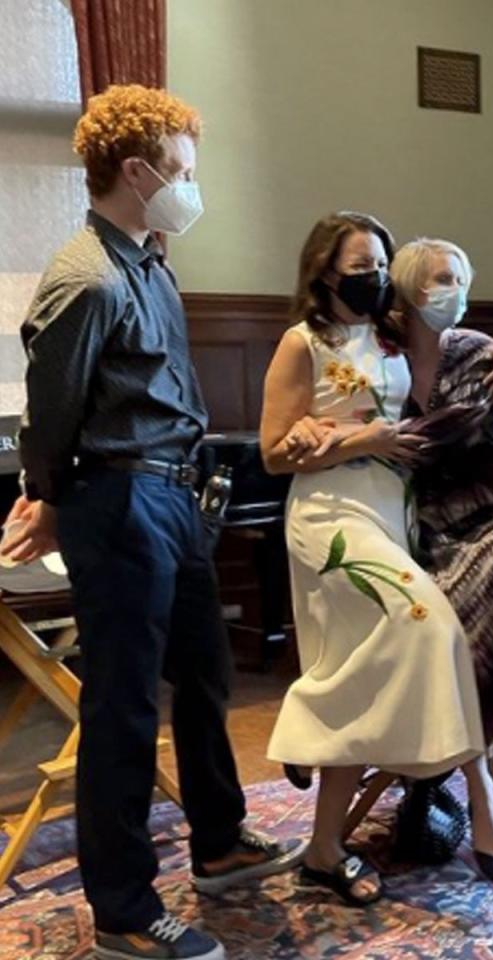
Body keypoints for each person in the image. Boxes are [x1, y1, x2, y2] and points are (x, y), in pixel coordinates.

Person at [5, 84, 302, 960]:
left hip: (171, 497)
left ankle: (216, 841)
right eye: (180, 171)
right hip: (120, 501)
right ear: (134, 172)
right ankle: (125, 910)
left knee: (204, 678)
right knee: (126, 708)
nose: (190, 186)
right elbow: (51, 411)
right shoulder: (85, 278)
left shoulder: (147, 259)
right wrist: (49, 500)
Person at [260, 212, 493, 900]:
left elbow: (455, 360)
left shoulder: (391, 337)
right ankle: (482, 793)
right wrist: (357, 440)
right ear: (324, 272)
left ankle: (321, 845)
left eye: (381, 263)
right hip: (331, 518)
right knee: (429, 625)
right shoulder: (302, 342)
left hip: (391, 514)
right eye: (358, 266)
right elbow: (274, 452)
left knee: (362, 670)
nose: (373, 277)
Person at [390, 237, 493, 743]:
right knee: (406, 596)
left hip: (481, 504)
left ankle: (474, 721)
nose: (456, 293)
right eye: (444, 279)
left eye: (462, 281)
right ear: (411, 287)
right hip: (410, 511)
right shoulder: (381, 357)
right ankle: (426, 738)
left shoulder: (480, 351)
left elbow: (466, 427)